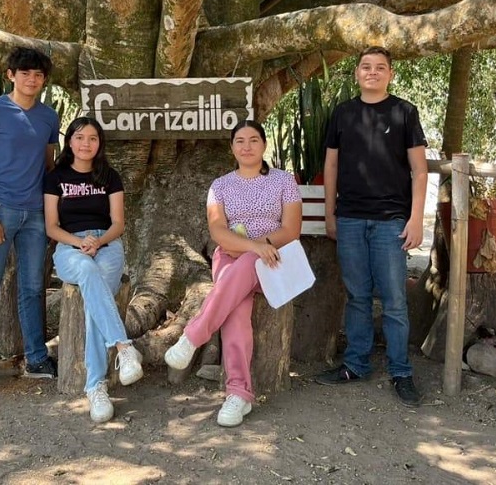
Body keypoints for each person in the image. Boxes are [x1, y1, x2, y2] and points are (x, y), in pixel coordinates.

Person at [164, 120, 302, 427]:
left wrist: (259, 248)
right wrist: (252, 246)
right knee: (237, 309)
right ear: (232, 147)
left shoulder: (284, 181)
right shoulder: (220, 186)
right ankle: (238, 395)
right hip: (231, 257)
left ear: (264, 145)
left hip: (274, 259)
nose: (247, 146)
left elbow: (291, 230)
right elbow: (217, 232)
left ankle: (193, 336)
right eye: (240, 141)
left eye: (254, 140)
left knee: (247, 265)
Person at [316, 45, 428, 408]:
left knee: (395, 301)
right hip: (349, 219)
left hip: (391, 222)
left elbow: (420, 170)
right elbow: (330, 166)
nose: (373, 72)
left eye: (380, 68)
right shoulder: (343, 113)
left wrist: (415, 219)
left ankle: (401, 371)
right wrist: (330, 214)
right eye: (366, 67)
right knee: (357, 297)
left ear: (390, 74)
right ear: (357, 74)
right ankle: (355, 364)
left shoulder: (405, 112)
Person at [0, 46, 60, 393]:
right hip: (0, 209)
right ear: (11, 75)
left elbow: (48, 166)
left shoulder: (49, 118)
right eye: (26, 73)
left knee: (33, 288)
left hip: (35, 213)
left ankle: (36, 358)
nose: (32, 80)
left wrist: (54, 214)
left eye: (38, 75)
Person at [44, 116, 144, 423]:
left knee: (93, 297)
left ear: (99, 144)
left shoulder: (109, 176)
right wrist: (79, 242)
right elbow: (51, 227)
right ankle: (124, 347)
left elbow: (118, 223)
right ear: (70, 141)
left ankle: (96, 386)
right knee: (87, 272)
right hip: (69, 249)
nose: (86, 143)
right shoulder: (55, 177)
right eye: (80, 137)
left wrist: (98, 241)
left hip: (108, 245)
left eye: (93, 138)